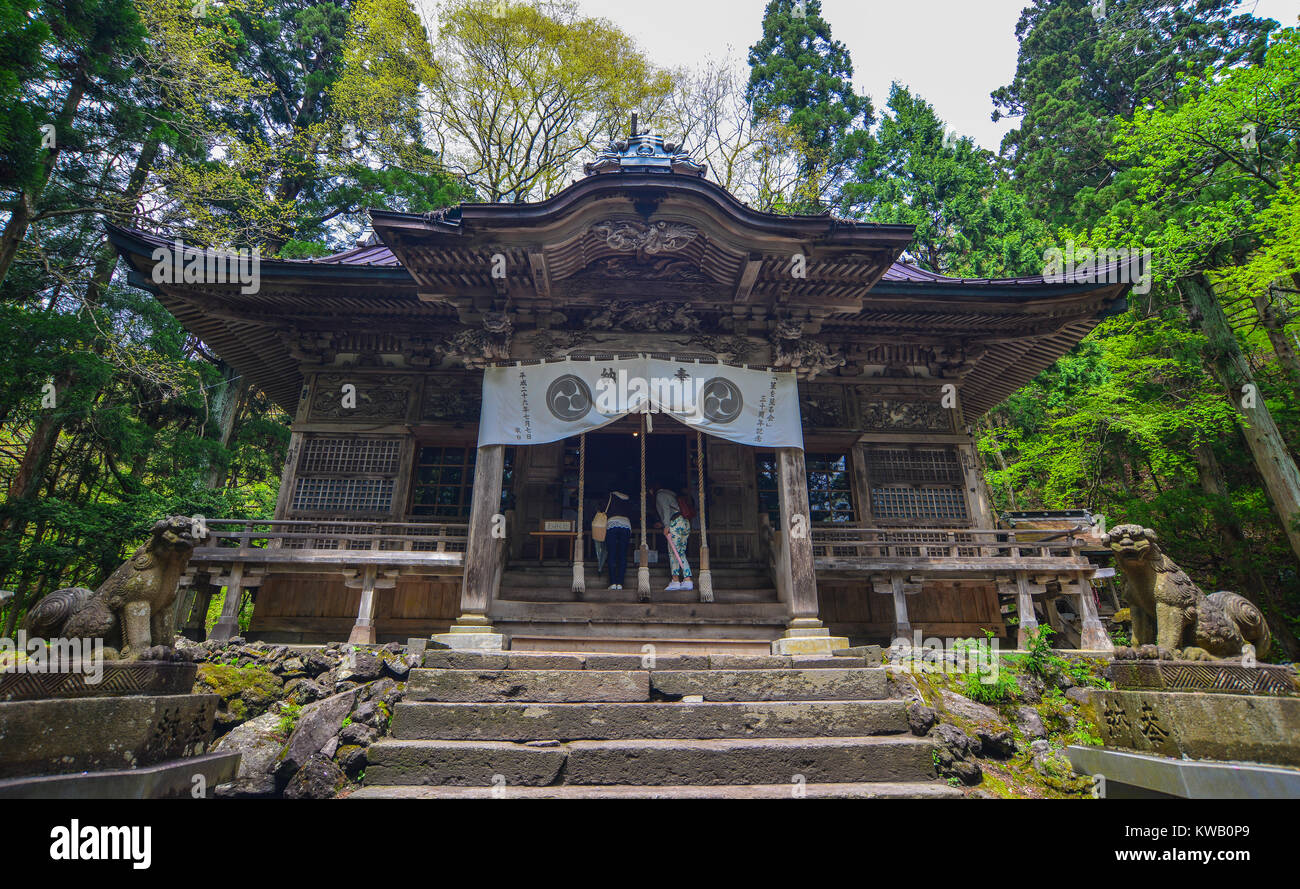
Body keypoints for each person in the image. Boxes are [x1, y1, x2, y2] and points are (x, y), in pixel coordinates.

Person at [651, 481, 692, 592]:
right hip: (685, 523)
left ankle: (675, 580)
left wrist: (666, 526)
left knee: (673, 552)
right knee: (680, 552)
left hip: (675, 524)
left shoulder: (660, 495)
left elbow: (666, 510)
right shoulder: (671, 495)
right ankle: (687, 579)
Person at [602, 491, 632, 590]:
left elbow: (603, 509)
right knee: (622, 554)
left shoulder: (610, 495)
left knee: (612, 553)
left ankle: (613, 582)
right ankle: (620, 583)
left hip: (612, 524)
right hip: (626, 525)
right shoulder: (628, 498)